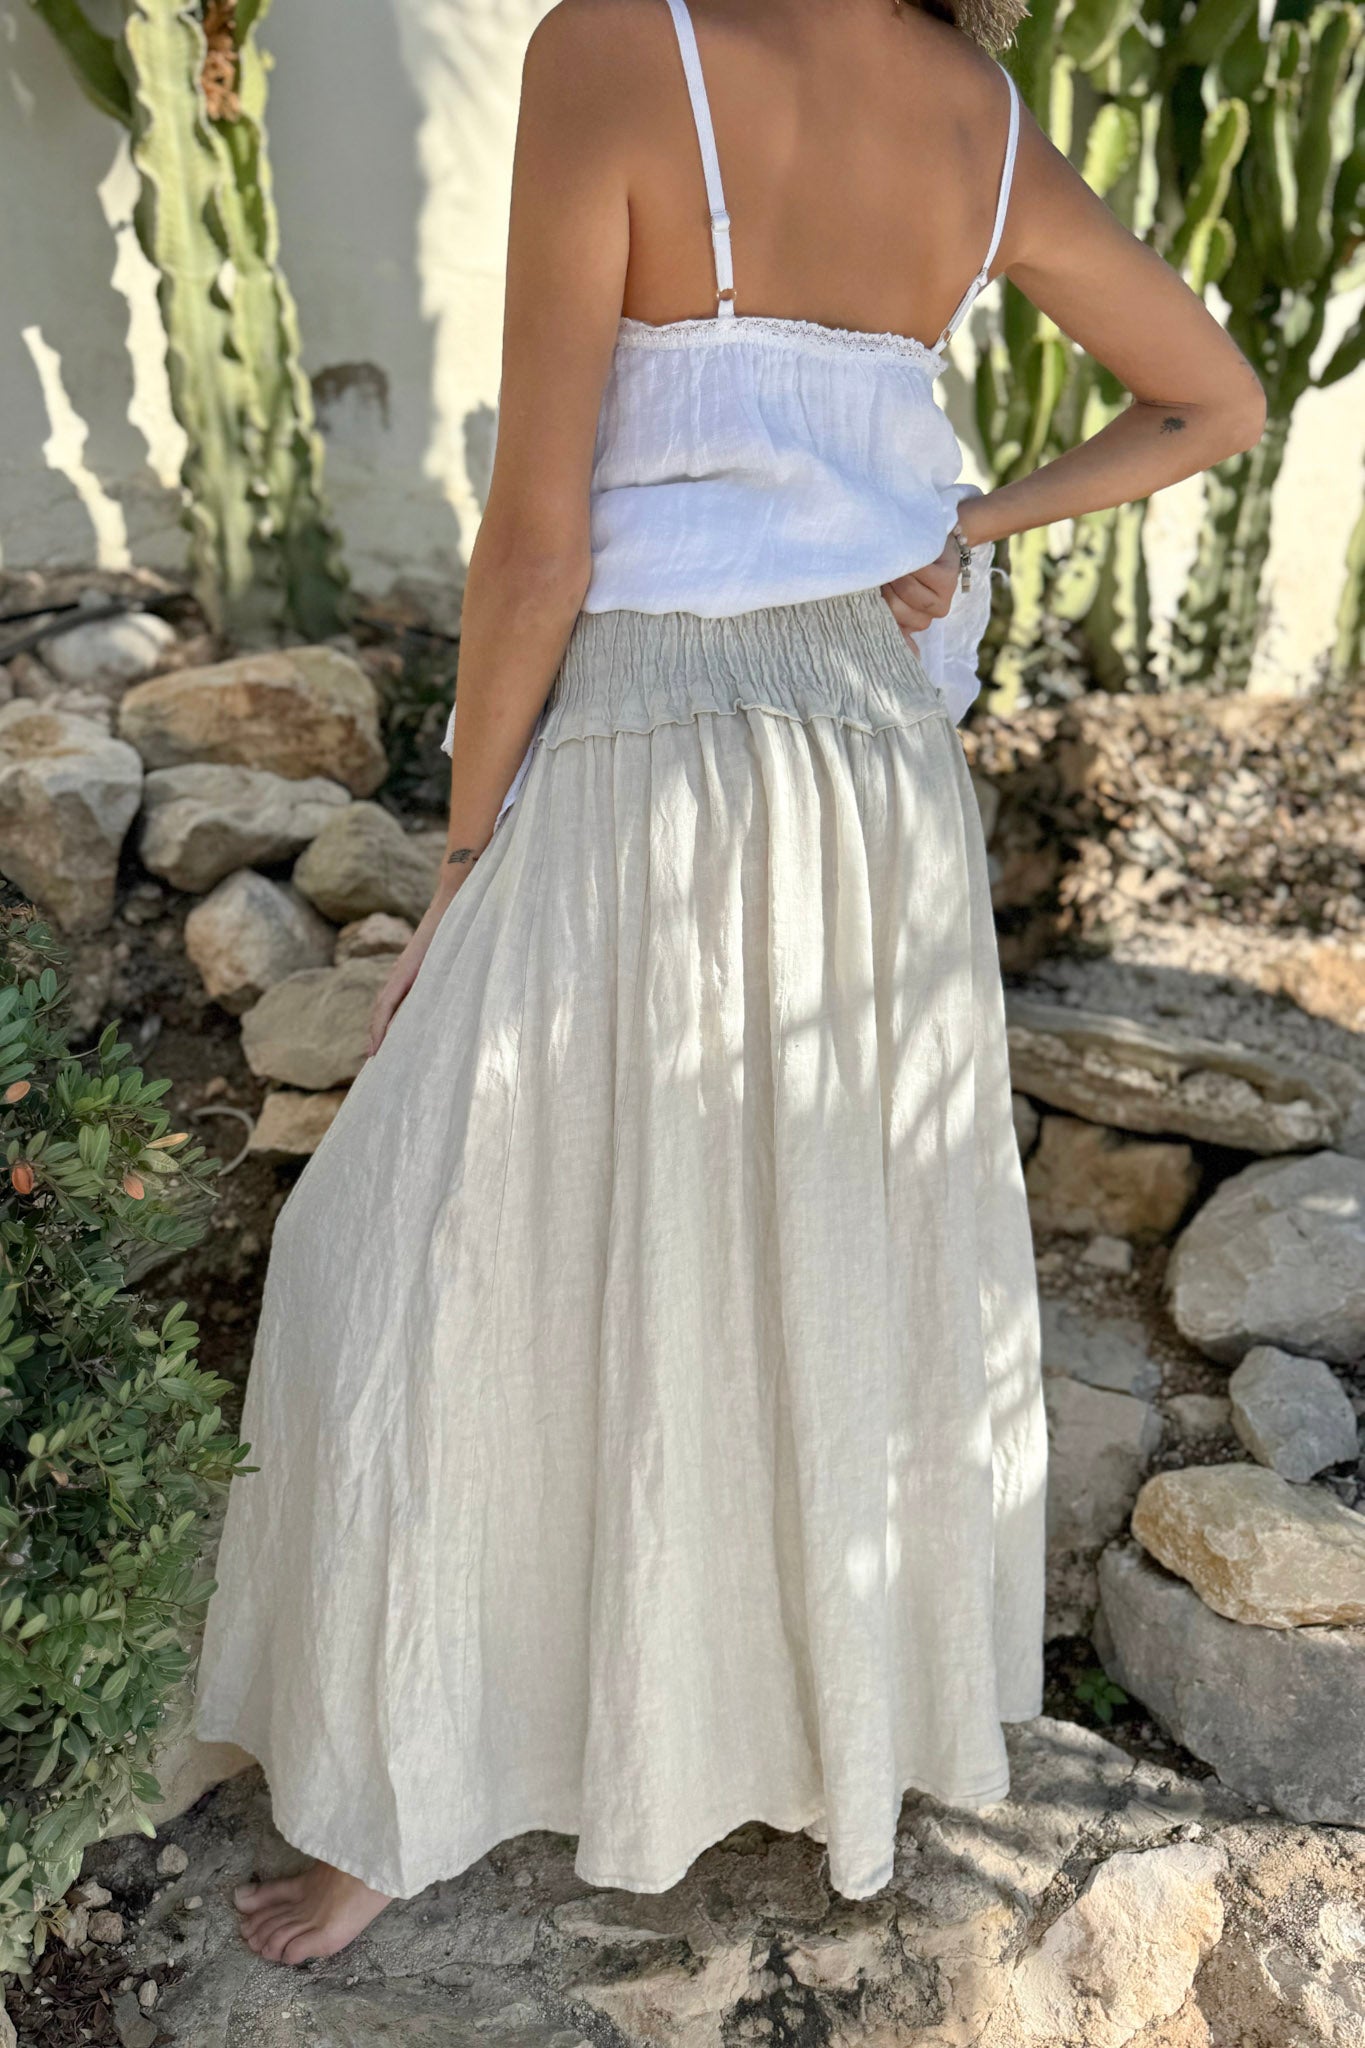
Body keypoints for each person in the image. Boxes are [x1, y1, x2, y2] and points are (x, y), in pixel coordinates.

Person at [195, 0, 1265, 1968]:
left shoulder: (619, 47)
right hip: (873, 771)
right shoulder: (971, 108)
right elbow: (1212, 400)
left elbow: (536, 537)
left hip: (649, 747)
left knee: (446, 1243)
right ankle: (802, 1744)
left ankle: (412, 1781)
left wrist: (461, 856)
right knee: (809, 1256)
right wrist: (965, 521)